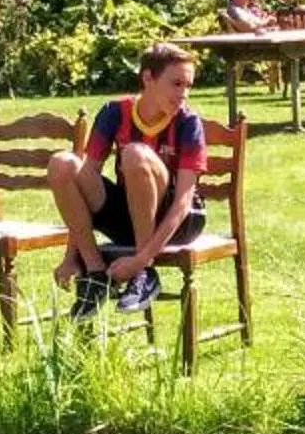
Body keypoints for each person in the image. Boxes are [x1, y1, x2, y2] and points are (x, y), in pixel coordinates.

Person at [48, 41, 207, 317]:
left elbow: (183, 202)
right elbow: (84, 183)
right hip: (130, 217)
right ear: (148, 78)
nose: (184, 94)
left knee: (135, 154)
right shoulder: (114, 112)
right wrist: (70, 256)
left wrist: (140, 261)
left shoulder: (188, 122)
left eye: (188, 86)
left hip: (178, 221)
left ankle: (145, 275)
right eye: (176, 84)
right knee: (62, 163)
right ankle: (95, 273)